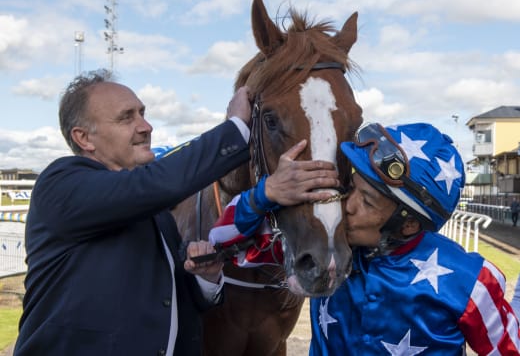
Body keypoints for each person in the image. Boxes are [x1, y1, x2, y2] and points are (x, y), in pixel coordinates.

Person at [14, 69, 340, 356]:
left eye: (142, 113)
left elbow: (171, 303)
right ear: (83, 138)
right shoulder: (60, 184)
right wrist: (237, 131)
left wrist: (206, 279)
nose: (146, 126)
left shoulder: (154, 215)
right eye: (127, 117)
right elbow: (159, 183)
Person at [216, 122, 520, 355]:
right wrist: (266, 192)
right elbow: (225, 244)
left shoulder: (469, 282)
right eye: (354, 188)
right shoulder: (328, 246)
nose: (347, 206)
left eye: (368, 202)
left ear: (409, 224)